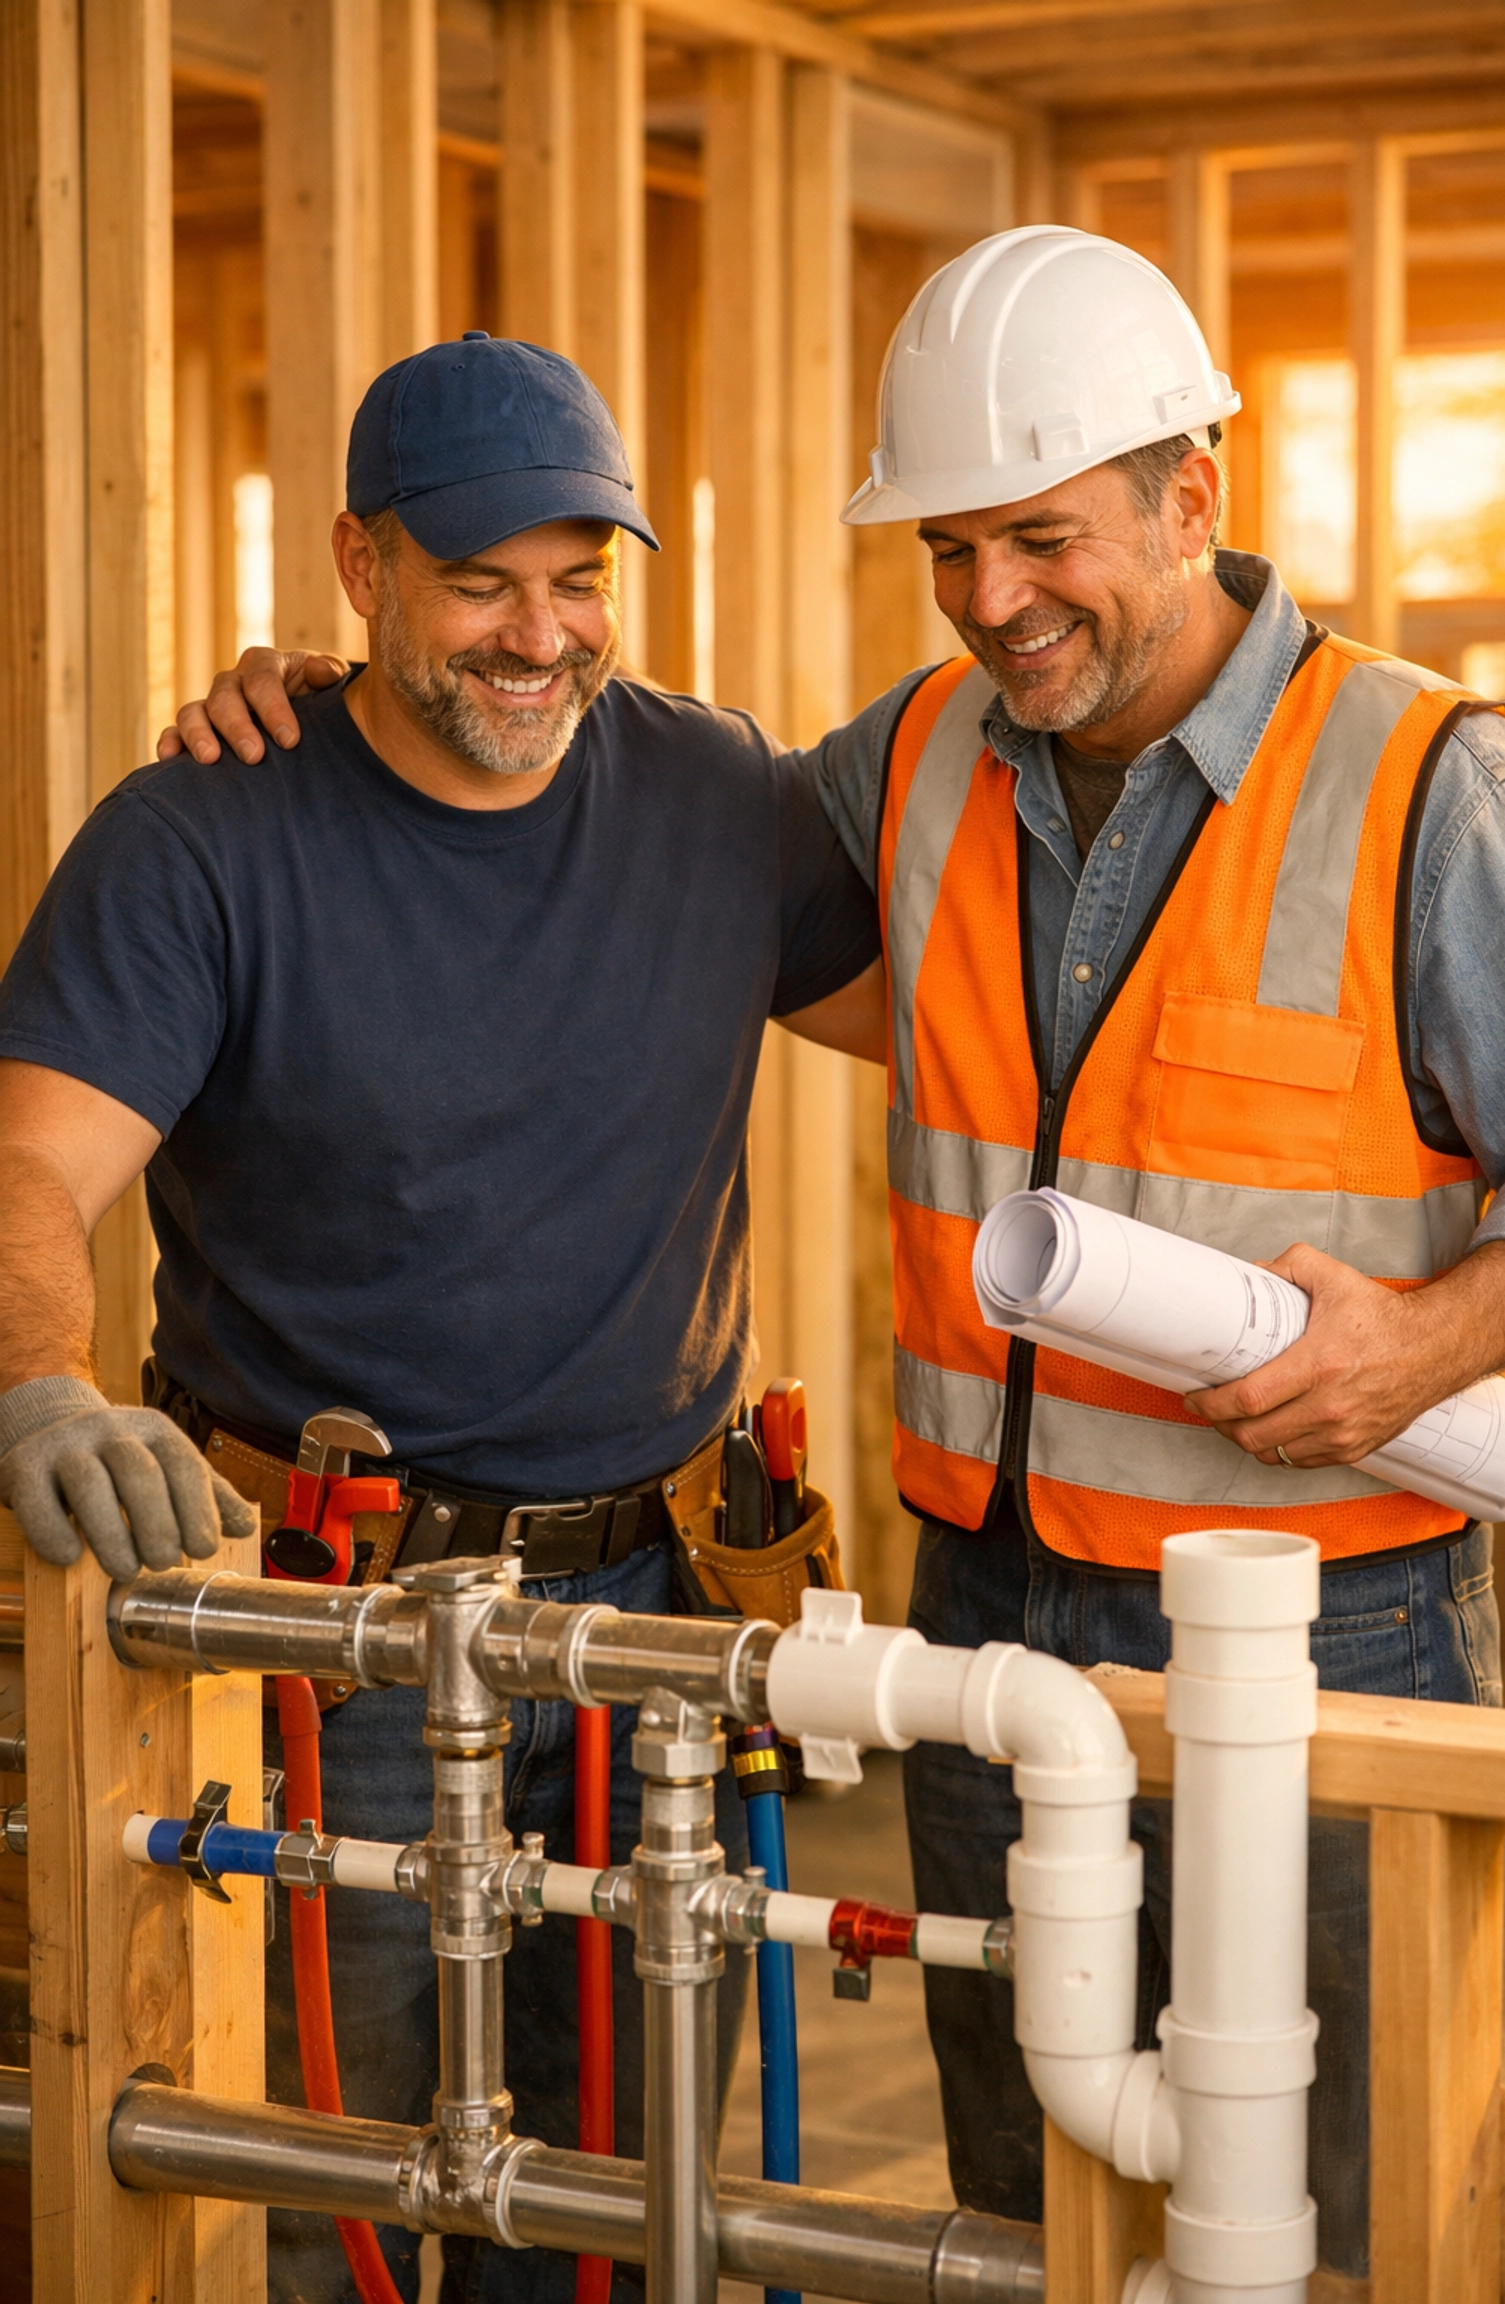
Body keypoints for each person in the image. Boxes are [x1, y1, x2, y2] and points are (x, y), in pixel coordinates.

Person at [178, 231, 1505, 2286]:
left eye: (1044, 537)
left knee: (1328, 2212)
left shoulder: (1430, 786)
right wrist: (328, 694)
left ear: (1195, 494)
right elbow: (565, 798)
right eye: (951, 549)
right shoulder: (906, 767)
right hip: (994, 1613)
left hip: (1331, 1626)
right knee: (1031, 2206)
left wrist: (1438, 1336)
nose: (994, 601)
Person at [0, 333, 885, 2304]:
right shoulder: (209, 831)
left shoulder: (720, 796)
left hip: (662, 1609)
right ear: (360, 567)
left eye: (580, 578)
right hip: (337, 1638)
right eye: (482, 579)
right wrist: (35, 1388)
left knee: (642, 2209)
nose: (537, 634)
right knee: (346, 2198)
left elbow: (970, 1021)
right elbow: (29, 1165)